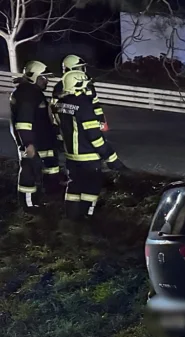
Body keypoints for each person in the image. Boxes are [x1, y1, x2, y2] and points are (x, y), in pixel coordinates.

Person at [54, 70, 126, 220]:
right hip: (88, 156)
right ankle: (87, 217)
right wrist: (111, 158)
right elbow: (94, 136)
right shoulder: (84, 105)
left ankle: (71, 218)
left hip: (71, 156)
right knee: (91, 187)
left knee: (74, 186)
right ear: (78, 85)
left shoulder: (60, 103)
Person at [9, 60, 61, 211]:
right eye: (43, 78)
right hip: (33, 142)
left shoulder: (32, 92)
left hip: (41, 140)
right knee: (29, 171)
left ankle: (50, 194)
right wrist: (28, 144)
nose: (46, 81)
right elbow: (23, 122)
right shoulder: (27, 95)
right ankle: (28, 205)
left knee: (48, 166)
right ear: (34, 77)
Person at [52, 55, 107, 131]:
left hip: (89, 123)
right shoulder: (59, 87)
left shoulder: (89, 85)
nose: (81, 72)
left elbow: (96, 105)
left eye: (82, 68)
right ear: (68, 70)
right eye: (77, 69)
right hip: (71, 125)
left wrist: (101, 120)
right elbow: (55, 109)